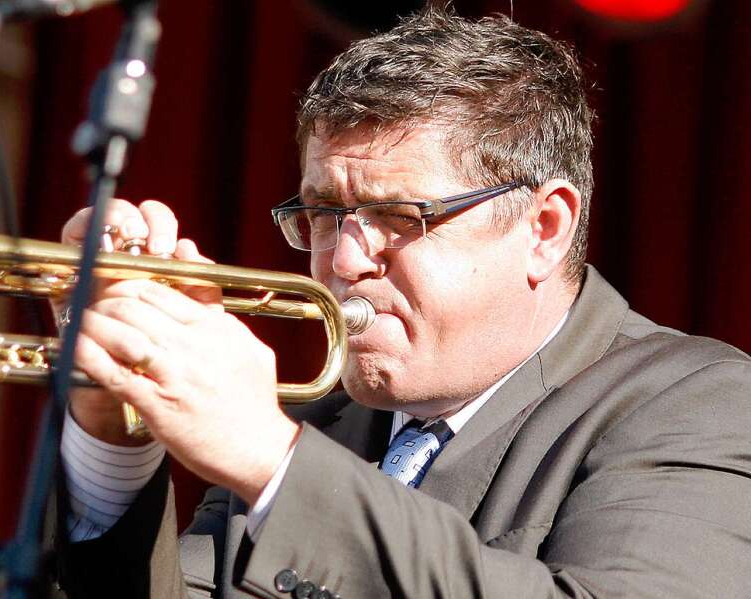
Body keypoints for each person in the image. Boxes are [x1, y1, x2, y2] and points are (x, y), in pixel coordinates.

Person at [51, 6, 751, 598]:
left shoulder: (700, 402)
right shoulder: (320, 423)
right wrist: (114, 426)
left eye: (400, 216)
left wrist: (272, 457)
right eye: (326, 213)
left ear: (544, 228)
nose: (346, 261)